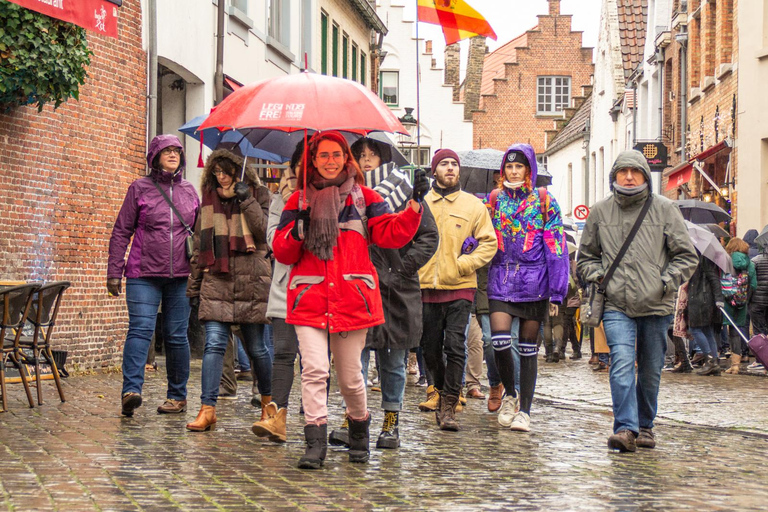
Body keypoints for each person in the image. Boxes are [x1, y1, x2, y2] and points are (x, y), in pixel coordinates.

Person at [272, 131, 424, 469]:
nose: (330, 162)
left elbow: (392, 233)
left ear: (346, 159)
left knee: (351, 378)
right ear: (312, 161)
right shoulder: (297, 201)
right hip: (310, 297)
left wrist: (414, 205)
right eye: (323, 155)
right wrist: (297, 230)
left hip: (352, 298)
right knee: (314, 370)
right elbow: (282, 252)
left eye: (336, 155)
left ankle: (359, 427)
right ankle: (315, 442)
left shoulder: (365, 198)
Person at [578, 149, 697, 453]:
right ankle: (626, 428)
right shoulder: (600, 212)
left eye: (636, 172)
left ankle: (646, 425)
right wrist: (600, 276)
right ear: (614, 176)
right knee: (620, 362)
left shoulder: (665, 209)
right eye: (623, 171)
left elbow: (686, 256)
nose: (629, 177)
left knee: (650, 368)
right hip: (616, 303)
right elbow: (586, 258)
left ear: (645, 176)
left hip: (655, 304)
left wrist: (664, 281)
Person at [328, 137, 437, 450]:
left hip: (395, 291)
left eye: (371, 155)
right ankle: (354, 419)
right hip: (357, 288)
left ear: (383, 158)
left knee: (392, 361)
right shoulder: (347, 195)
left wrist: (402, 267)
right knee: (353, 362)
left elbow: (428, 237)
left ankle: (392, 421)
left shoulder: (404, 193)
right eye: (359, 155)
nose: (365, 161)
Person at [107, 134, 199, 417]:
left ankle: (177, 396)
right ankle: (131, 391)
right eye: (167, 151)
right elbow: (122, 230)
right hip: (142, 273)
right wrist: (114, 270)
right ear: (155, 156)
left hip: (181, 275)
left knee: (176, 335)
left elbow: (201, 232)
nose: (173, 155)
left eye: (177, 151)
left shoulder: (190, 191)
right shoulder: (140, 188)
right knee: (141, 330)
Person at [185, 149, 273, 432]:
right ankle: (207, 409)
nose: (222, 177)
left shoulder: (259, 195)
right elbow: (199, 246)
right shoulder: (208, 202)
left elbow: (263, 234)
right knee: (213, 344)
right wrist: (194, 287)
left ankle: (268, 407)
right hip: (217, 280)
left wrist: (246, 199)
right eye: (217, 172)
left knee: (258, 348)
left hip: (251, 281)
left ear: (239, 171)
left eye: (226, 171)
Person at [485, 143, 569, 433]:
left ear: (528, 169)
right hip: (501, 279)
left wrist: (557, 290)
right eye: (509, 166)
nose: (513, 171)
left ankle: (526, 411)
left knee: (528, 348)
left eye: (519, 166)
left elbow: (556, 246)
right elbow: (481, 233)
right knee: (498, 341)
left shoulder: (545, 201)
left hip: (534, 282)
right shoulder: (494, 200)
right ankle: (510, 393)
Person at [418, 149, 497, 431]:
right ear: (434, 171)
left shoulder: (473, 206)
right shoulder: (421, 202)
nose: (450, 168)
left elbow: (489, 242)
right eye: (444, 164)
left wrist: (466, 264)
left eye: (454, 164)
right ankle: (439, 390)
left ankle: (450, 403)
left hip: (461, 286)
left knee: (455, 345)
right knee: (430, 348)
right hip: (426, 286)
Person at [251, 141, 302, 443]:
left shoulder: (323, 199)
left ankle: (313, 417)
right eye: (286, 176)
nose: (288, 182)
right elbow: (275, 243)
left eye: (294, 176)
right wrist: (289, 207)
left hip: (315, 289)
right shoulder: (277, 203)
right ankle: (276, 415)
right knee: (283, 353)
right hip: (285, 287)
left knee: (314, 359)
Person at [721, 238, 758, 374]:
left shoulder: (726, 261)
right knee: (738, 330)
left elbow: (722, 280)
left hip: (727, 300)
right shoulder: (750, 263)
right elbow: (753, 285)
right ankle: (736, 365)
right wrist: (746, 299)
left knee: (730, 331)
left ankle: (733, 364)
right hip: (743, 302)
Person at [686, 252, 725, 376]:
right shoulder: (703, 257)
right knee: (707, 330)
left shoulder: (702, 258)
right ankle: (714, 363)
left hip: (701, 300)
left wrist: (719, 299)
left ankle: (710, 360)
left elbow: (714, 279)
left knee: (695, 329)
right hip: (703, 299)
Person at [750, 237, 768, 372]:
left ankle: (760, 359)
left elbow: (751, 281)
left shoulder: (755, 261)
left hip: (757, 301)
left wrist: (748, 299)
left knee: (758, 331)